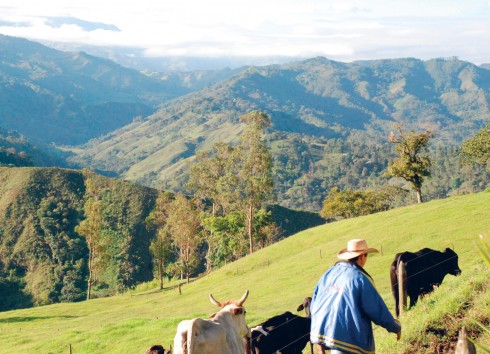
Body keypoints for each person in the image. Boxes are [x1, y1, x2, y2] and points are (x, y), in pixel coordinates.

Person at [310, 239, 401, 354]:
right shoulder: (360, 278)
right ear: (362, 256)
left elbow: (315, 306)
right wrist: (395, 327)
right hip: (351, 341)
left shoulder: (328, 274)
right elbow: (376, 309)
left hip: (326, 336)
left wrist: (318, 336)